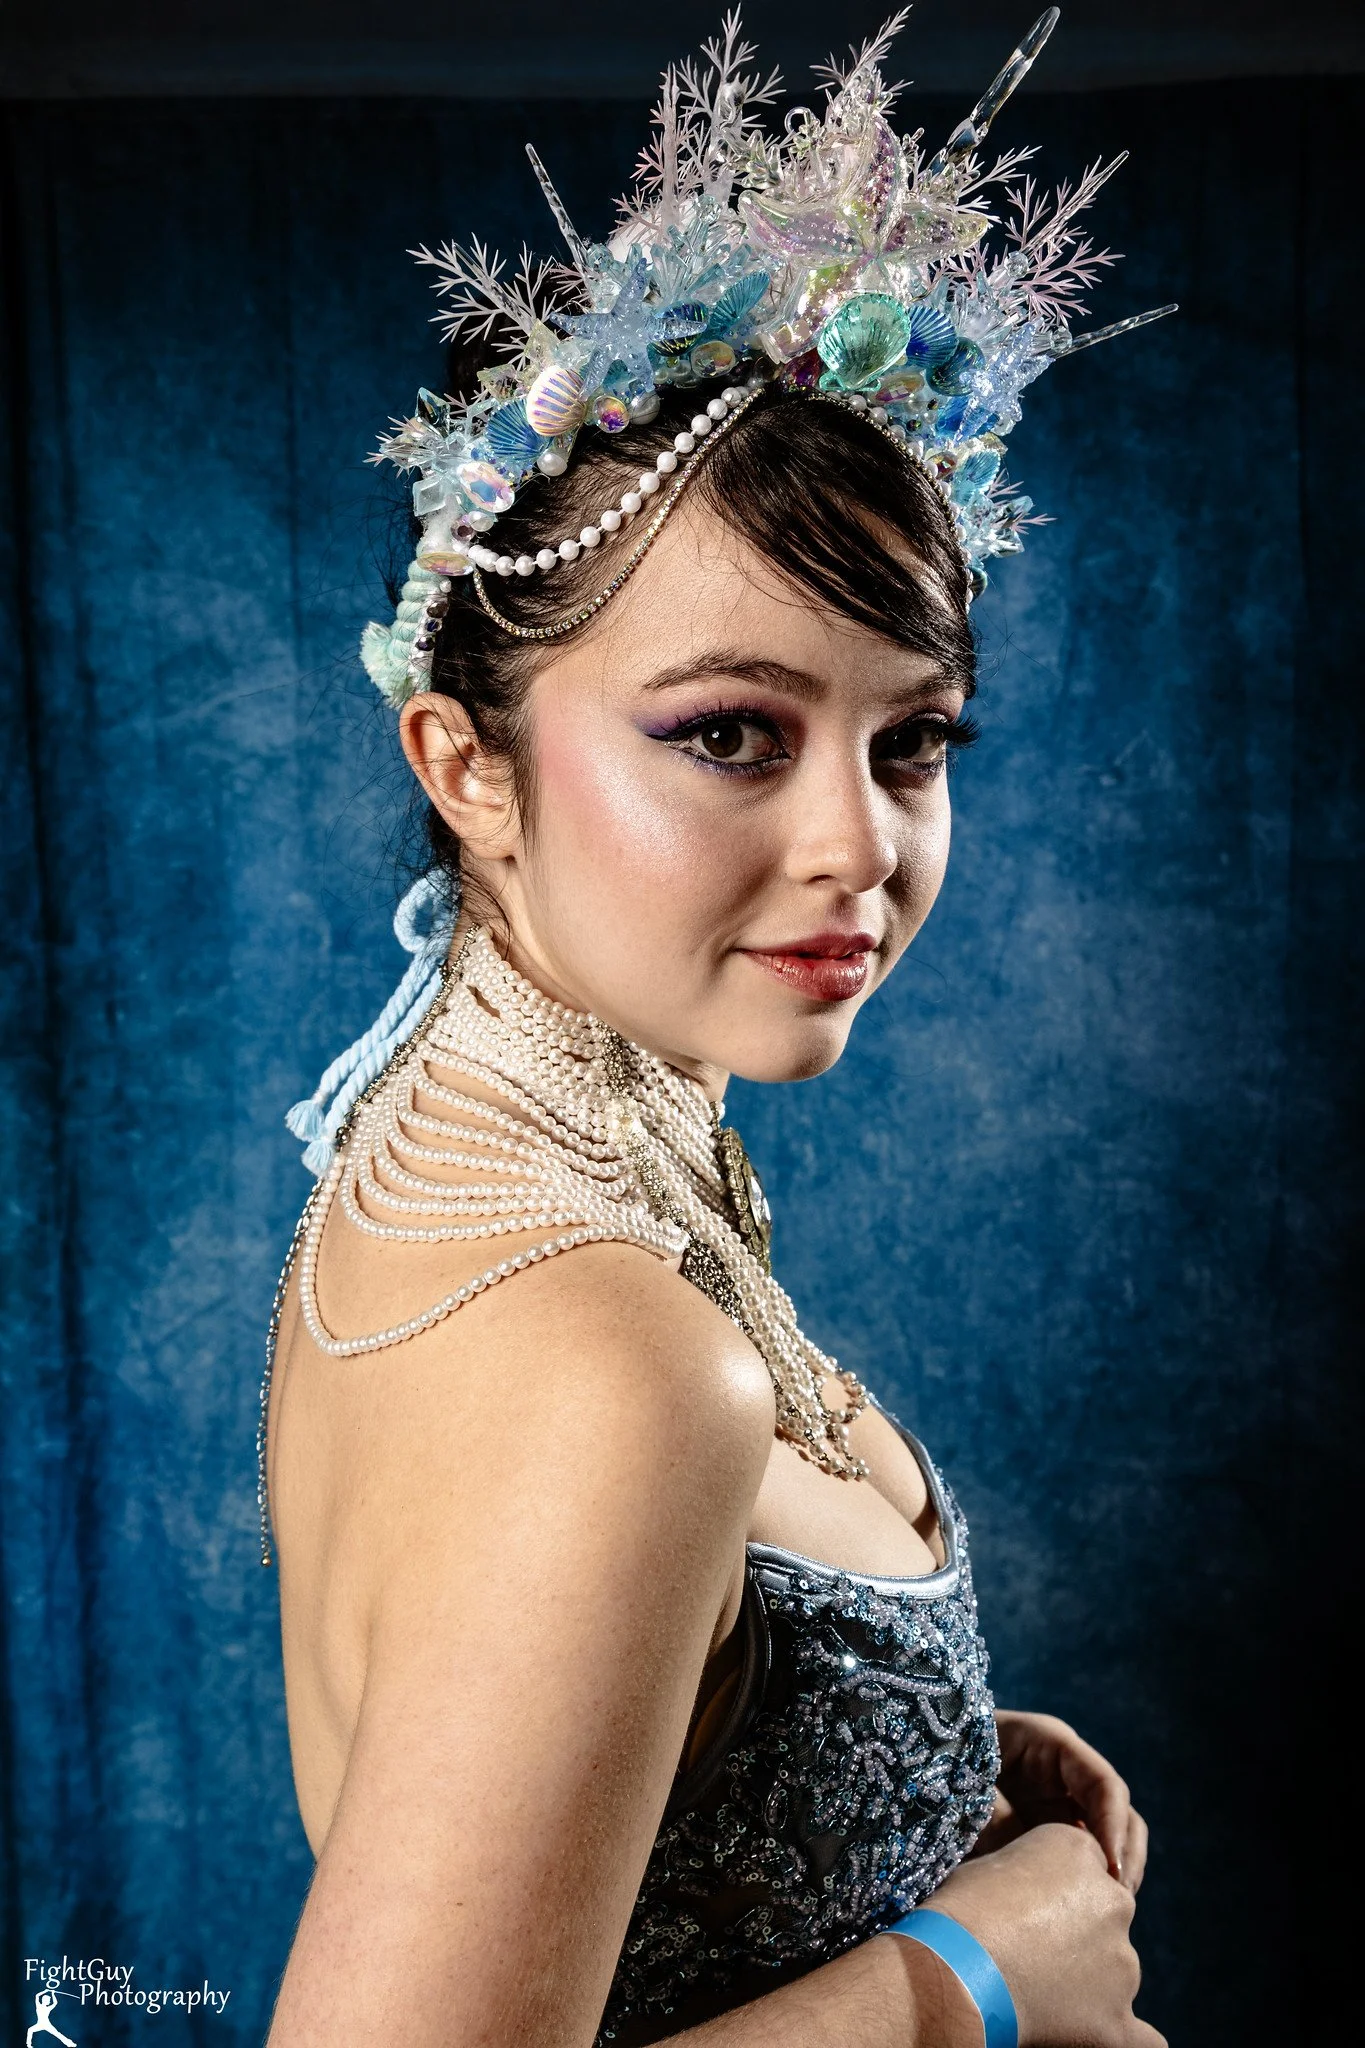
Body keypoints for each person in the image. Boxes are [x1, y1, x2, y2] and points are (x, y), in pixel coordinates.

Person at [259, 14, 1172, 2044]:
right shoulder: (614, 1366)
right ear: (467, 766)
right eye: (731, 735)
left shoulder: (463, 1145)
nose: (862, 844)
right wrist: (965, 1981)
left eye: (912, 737)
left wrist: (894, 1771)